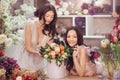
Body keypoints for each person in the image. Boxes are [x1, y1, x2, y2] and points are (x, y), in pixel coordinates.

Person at [13, 3, 58, 71]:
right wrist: (37, 52)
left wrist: (54, 48)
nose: (49, 19)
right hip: (25, 56)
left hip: (38, 59)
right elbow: (28, 47)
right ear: (42, 14)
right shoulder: (30, 25)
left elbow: (48, 46)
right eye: (47, 16)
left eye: (52, 17)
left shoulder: (50, 29)